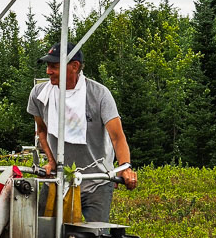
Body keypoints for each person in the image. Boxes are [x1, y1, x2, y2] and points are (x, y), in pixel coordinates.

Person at [26, 43, 137, 222]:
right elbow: (42, 131)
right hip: (57, 179)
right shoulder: (39, 95)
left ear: (75, 66)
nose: (48, 71)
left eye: (54, 66)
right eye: (47, 66)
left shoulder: (99, 94)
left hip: (96, 181)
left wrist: (125, 167)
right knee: (43, 234)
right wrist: (52, 161)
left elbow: (117, 137)